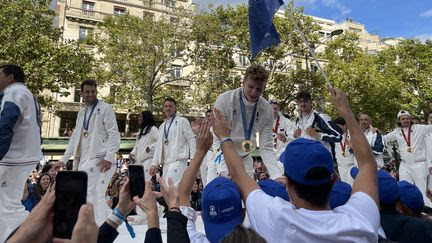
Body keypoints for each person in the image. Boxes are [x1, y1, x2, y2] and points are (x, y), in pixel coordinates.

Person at [210, 87, 381, 242]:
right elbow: (367, 164)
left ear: (288, 185)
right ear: (334, 179)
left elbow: (238, 174)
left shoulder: (275, 218)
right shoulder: (361, 219)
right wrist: (345, 110)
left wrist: (224, 137)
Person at [55, 79, 121, 225]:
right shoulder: (81, 113)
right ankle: (106, 224)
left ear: (96, 91)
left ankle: (93, 227)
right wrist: (63, 160)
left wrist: (109, 157)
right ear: (82, 93)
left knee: (88, 192)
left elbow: (114, 134)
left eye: (93, 91)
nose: (90, 94)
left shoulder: (105, 108)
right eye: (87, 92)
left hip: (100, 158)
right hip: (84, 158)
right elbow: (74, 138)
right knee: (96, 194)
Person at [212, 64, 282, 180]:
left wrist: (277, 175)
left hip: (246, 157)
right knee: (224, 195)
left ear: (264, 88)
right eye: (250, 86)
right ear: (243, 82)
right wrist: (222, 169)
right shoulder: (225, 100)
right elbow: (216, 137)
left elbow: (266, 147)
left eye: (259, 89)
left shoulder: (266, 109)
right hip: (224, 156)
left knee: (248, 197)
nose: (254, 92)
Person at [0, 64, 42, 242]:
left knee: (8, 206)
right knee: (7, 204)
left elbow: (5, 124)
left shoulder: (13, 92)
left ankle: (37, 235)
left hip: (13, 157)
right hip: (23, 156)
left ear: (10, 77)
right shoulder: (30, 96)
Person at [384, 110, 432, 206]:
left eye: (407, 118)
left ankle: (427, 212)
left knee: (422, 191)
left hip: (419, 164)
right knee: (404, 188)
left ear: (410, 119)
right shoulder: (396, 132)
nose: (405, 120)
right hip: (405, 165)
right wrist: (374, 131)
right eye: (403, 119)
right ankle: (408, 212)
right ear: (399, 120)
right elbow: (383, 138)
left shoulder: (419, 128)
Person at [150, 97, 196, 186]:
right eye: (166, 106)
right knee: (166, 191)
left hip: (178, 161)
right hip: (166, 163)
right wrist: (154, 163)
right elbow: (159, 146)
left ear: (175, 108)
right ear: (163, 109)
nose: (168, 108)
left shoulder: (182, 121)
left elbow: (191, 138)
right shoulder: (162, 126)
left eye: (170, 106)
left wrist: (194, 158)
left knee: (172, 190)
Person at [129, 111, 159, 180]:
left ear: (146, 118)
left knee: (146, 185)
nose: (139, 119)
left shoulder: (153, 129)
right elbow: (137, 146)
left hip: (148, 162)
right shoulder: (140, 132)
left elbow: (160, 141)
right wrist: (132, 153)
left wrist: (149, 148)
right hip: (139, 163)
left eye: (140, 117)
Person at [270, 101, 294, 170]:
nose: (273, 111)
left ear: (279, 109)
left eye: (275, 109)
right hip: (271, 155)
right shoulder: (265, 122)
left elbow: (292, 137)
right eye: (271, 109)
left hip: (283, 154)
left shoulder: (286, 121)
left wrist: (285, 139)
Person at [333, 117, 355, 185]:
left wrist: (352, 147)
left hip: (352, 167)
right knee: (345, 189)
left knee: (353, 188)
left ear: (345, 125)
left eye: (338, 126)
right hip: (341, 167)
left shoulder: (353, 135)